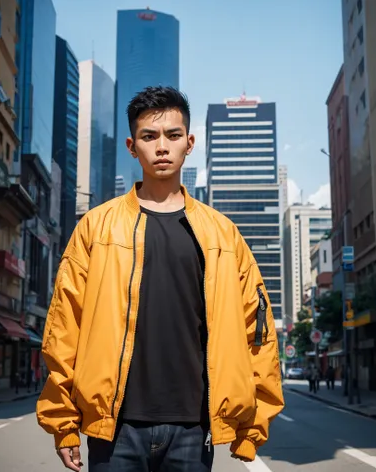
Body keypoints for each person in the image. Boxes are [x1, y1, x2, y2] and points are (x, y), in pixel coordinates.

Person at [36, 86, 284, 472]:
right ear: (132, 147)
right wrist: (64, 425)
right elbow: (64, 328)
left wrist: (252, 426)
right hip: (113, 427)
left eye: (172, 135)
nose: (162, 147)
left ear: (190, 142)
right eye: (150, 137)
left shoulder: (223, 235)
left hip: (193, 426)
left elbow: (259, 332)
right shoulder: (95, 227)